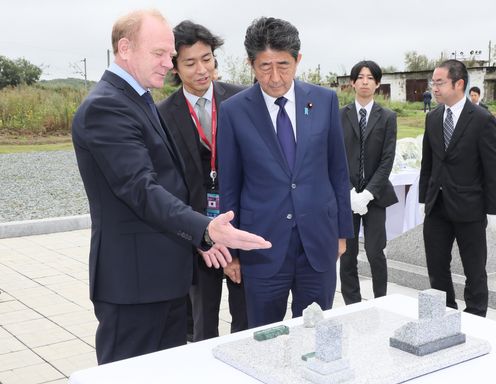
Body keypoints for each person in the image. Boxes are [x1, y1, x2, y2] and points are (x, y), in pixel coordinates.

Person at [72, 9, 270, 365]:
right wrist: (204, 229)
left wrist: (200, 238)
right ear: (125, 48)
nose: (169, 63)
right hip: (135, 287)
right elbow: (141, 189)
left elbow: (170, 184)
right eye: (160, 54)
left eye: (169, 55)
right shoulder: (106, 107)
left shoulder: (138, 97)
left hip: (163, 280)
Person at [217, 17, 353, 328]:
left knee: (316, 335)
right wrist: (232, 250)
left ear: (298, 59)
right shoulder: (234, 111)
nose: (275, 77)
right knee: (264, 337)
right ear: (251, 63)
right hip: (261, 245)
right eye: (265, 66)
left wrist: (342, 232)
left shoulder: (322, 101)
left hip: (318, 241)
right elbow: (230, 185)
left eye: (284, 64)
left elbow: (337, 170)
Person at [157, 21, 247, 342]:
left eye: (207, 58)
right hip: (197, 241)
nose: (201, 69)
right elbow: (165, 188)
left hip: (240, 232)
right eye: (190, 62)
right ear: (174, 67)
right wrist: (199, 237)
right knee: (202, 326)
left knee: (247, 324)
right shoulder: (161, 115)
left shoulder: (242, 100)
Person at [419, 59, 496, 317]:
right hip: (437, 206)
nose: (434, 88)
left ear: (459, 83)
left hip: (470, 209)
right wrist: (424, 200)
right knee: (436, 267)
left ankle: (475, 317)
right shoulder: (433, 117)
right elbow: (427, 164)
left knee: (474, 270)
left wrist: (491, 210)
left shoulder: (482, 119)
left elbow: (491, 168)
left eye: (439, 82)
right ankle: (443, 315)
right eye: (434, 82)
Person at [339, 60, 398, 305]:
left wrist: (368, 193)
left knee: (375, 252)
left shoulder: (387, 117)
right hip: (347, 196)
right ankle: (352, 303)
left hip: (375, 196)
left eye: (370, 78)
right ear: (352, 83)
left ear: (377, 84)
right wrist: (349, 192)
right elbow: (334, 156)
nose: (365, 81)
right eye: (360, 77)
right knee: (347, 254)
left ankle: (380, 301)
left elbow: (387, 159)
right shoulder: (339, 115)